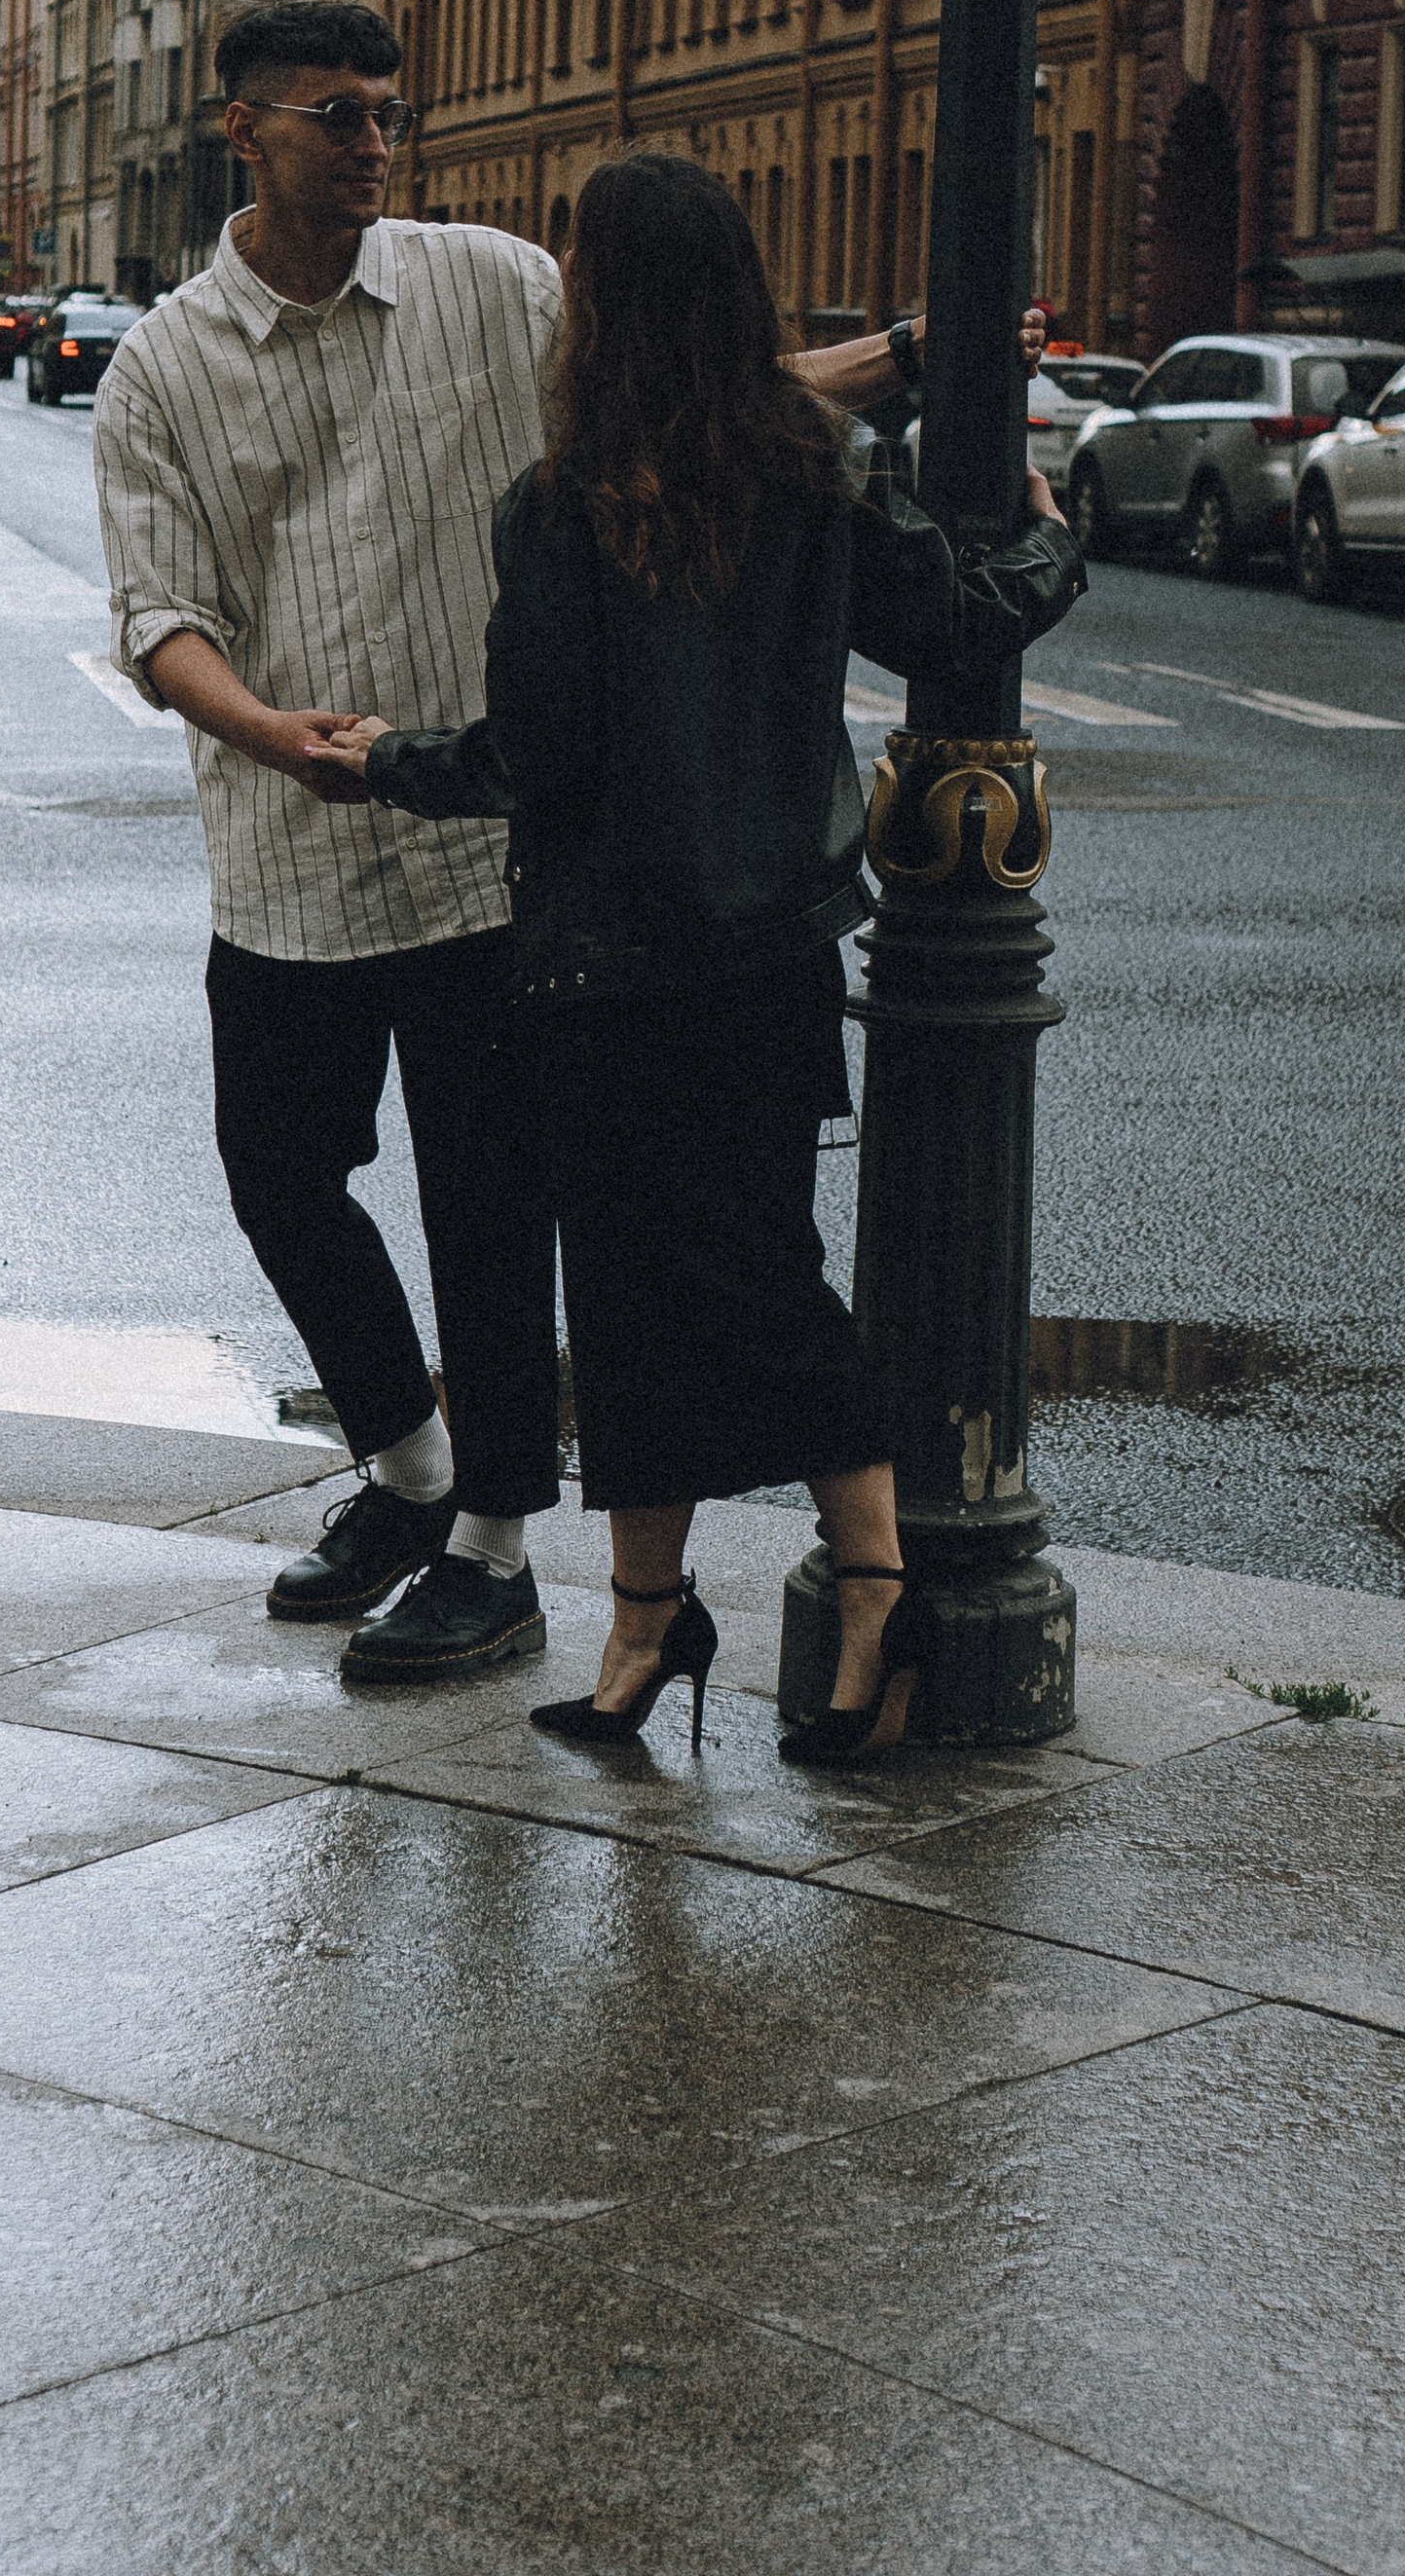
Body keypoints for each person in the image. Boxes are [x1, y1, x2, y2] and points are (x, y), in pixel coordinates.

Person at [94, 0, 988, 1688]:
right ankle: (407, 1466)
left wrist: (902, 359)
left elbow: (684, 400)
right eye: (337, 115)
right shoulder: (164, 364)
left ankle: (495, 1549)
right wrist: (272, 735)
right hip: (288, 852)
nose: (374, 142)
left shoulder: (487, 283)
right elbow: (160, 614)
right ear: (245, 132)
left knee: (492, 1215)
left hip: (489, 846)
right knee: (280, 1179)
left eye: (387, 111)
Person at [323, 149, 1085, 1765]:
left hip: (607, 973)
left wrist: (384, 760)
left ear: (600, 306)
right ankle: (660, 1621)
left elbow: (536, 756)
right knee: (744, 1278)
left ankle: (850, 1595)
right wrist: (1055, 550)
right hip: (766, 955)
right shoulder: (809, 473)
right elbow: (951, 618)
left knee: (662, 1300)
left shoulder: (562, 509)